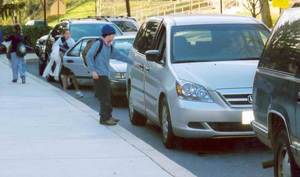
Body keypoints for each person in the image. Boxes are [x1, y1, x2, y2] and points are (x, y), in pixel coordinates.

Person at [86, 25, 133, 126]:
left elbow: (118, 55)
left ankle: (108, 116)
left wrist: (132, 62)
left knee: (107, 96)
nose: (114, 37)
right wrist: (92, 71)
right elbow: (89, 56)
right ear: (108, 34)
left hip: (105, 74)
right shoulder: (98, 43)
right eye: (113, 35)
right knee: (105, 97)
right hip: (99, 75)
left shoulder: (108, 46)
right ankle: (104, 119)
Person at [43, 29, 83, 97]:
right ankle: (70, 92)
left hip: (69, 60)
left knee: (70, 75)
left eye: (69, 33)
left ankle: (76, 91)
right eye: (66, 33)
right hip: (63, 60)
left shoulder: (72, 41)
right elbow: (55, 48)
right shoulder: (60, 40)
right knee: (65, 75)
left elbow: (74, 50)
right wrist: (59, 53)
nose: (68, 35)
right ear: (63, 34)